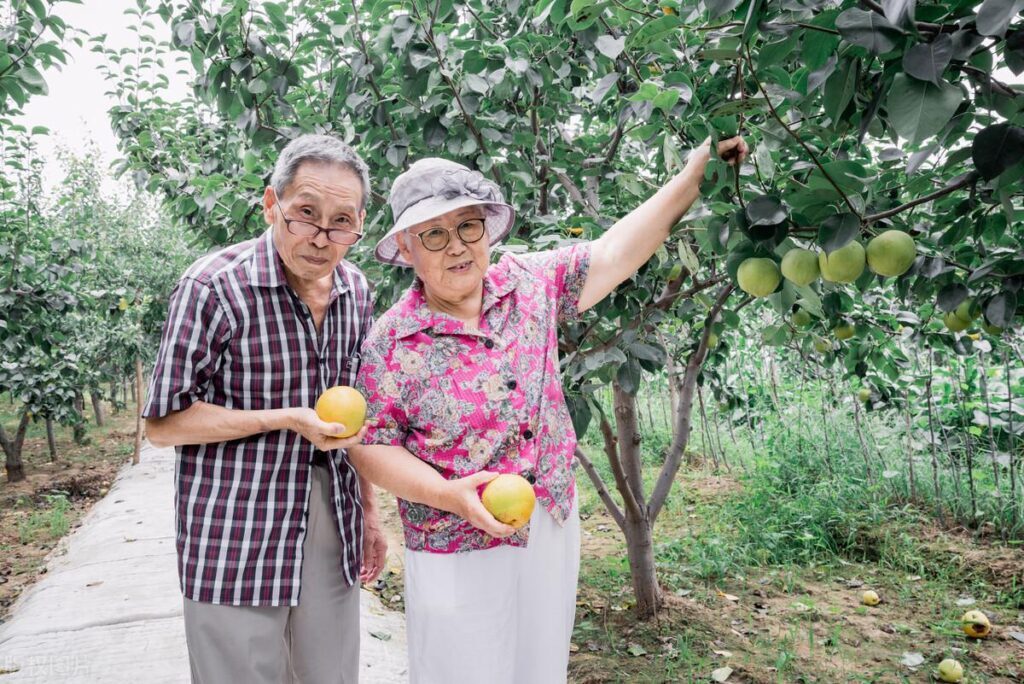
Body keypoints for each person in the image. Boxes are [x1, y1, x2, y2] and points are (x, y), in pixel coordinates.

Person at [349, 135, 748, 683]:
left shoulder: (529, 283)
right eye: (433, 234)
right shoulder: (391, 340)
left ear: (486, 230)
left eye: (468, 225)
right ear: (408, 251)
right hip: (453, 540)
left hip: (547, 520)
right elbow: (370, 446)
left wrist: (695, 170)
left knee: (539, 666)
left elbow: (614, 251)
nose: (457, 246)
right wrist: (449, 496)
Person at [143, 134, 387, 684]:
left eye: (341, 222)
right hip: (235, 526)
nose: (321, 238)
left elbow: (356, 417)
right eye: (305, 213)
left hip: (331, 518)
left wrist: (368, 512)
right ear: (271, 204)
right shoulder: (213, 287)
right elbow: (162, 424)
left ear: (359, 226)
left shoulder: (357, 291)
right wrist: (282, 418)